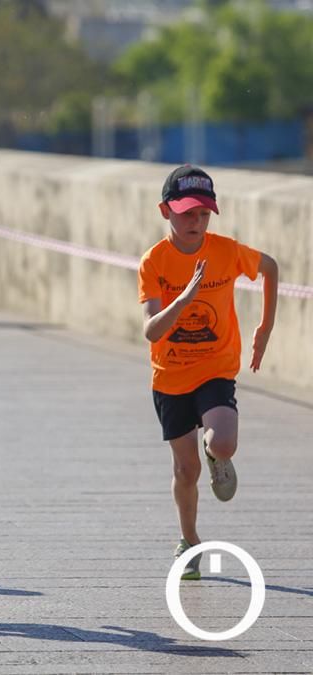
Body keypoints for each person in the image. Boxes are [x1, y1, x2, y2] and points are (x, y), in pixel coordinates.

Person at [138, 165, 279, 581]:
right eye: (186, 214)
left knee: (225, 441)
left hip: (216, 367)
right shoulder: (154, 262)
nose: (195, 223)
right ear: (166, 211)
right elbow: (151, 330)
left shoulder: (225, 250)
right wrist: (182, 300)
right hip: (170, 378)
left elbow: (269, 267)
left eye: (203, 214)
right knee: (186, 473)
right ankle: (189, 539)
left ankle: (217, 453)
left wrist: (265, 328)